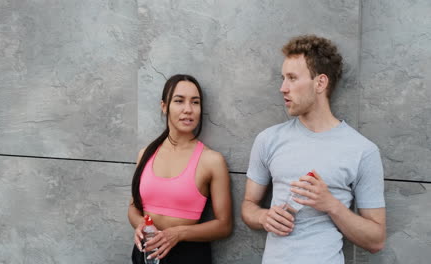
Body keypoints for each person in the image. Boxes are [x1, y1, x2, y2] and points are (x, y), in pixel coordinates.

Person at [241, 35, 386, 263]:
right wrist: (263, 217)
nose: (282, 88)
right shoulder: (268, 140)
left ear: (320, 83)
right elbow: (248, 206)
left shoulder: (362, 151)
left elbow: (376, 240)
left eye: (292, 78)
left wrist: (331, 205)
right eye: (283, 78)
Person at [128, 74, 232, 263]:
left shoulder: (211, 160)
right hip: (145, 252)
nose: (188, 109)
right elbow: (134, 208)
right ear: (164, 106)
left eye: (195, 102)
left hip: (188, 255)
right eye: (179, 101)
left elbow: (224, 226)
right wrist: (141, 224)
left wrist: (178, 233)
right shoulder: (145, 154)